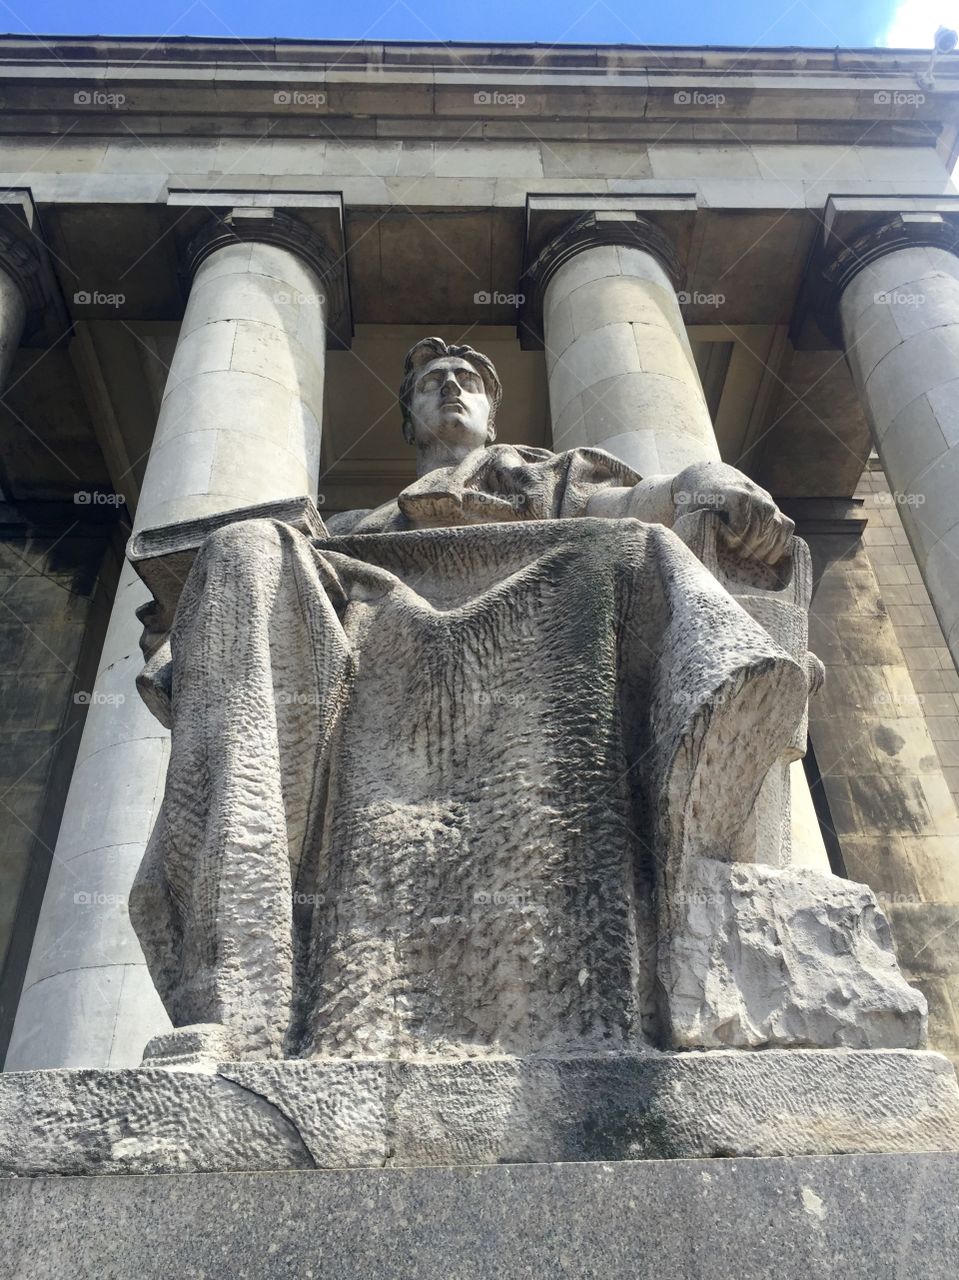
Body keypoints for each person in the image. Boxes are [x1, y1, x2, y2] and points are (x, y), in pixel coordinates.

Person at [130, 338, 806, 1066]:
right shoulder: (355, 532)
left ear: (490, 413)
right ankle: (241, 1001)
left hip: (545, 637)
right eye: (430, 383)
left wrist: (706, 476)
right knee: (243, 546)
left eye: (468, 380)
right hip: (373, 658)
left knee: (628, 553)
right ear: (409, 418)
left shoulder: (543, 482)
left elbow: (643, 509)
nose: (451, 387)